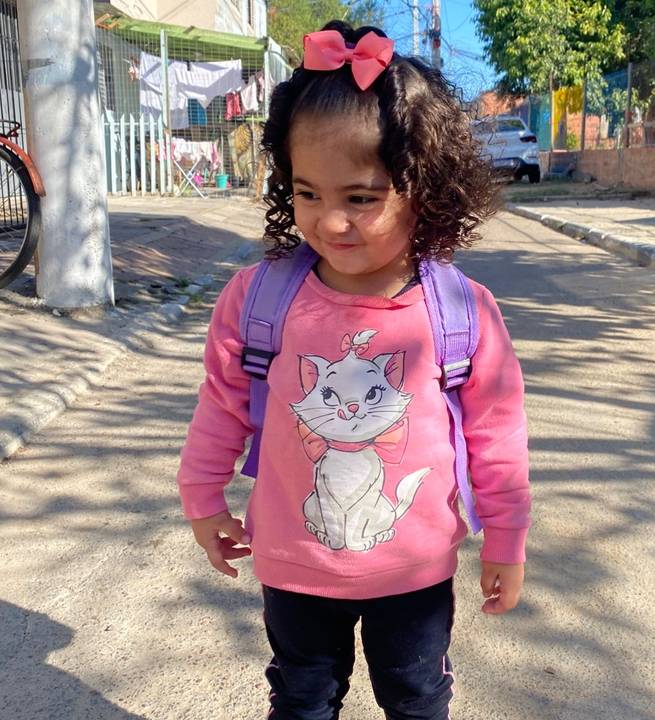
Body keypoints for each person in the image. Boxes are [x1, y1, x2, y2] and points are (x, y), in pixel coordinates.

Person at [177, 20, 530, 720]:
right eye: (308, 193)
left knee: (417, 699)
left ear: (425, 188)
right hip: (294, 566)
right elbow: (222, 404)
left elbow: (496, 433)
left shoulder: (460, 312)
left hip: (414, 576)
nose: (330, 222)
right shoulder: (258, 300)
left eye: (360, 198)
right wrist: (202, 495)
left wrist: (506, 537)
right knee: (302, 700)